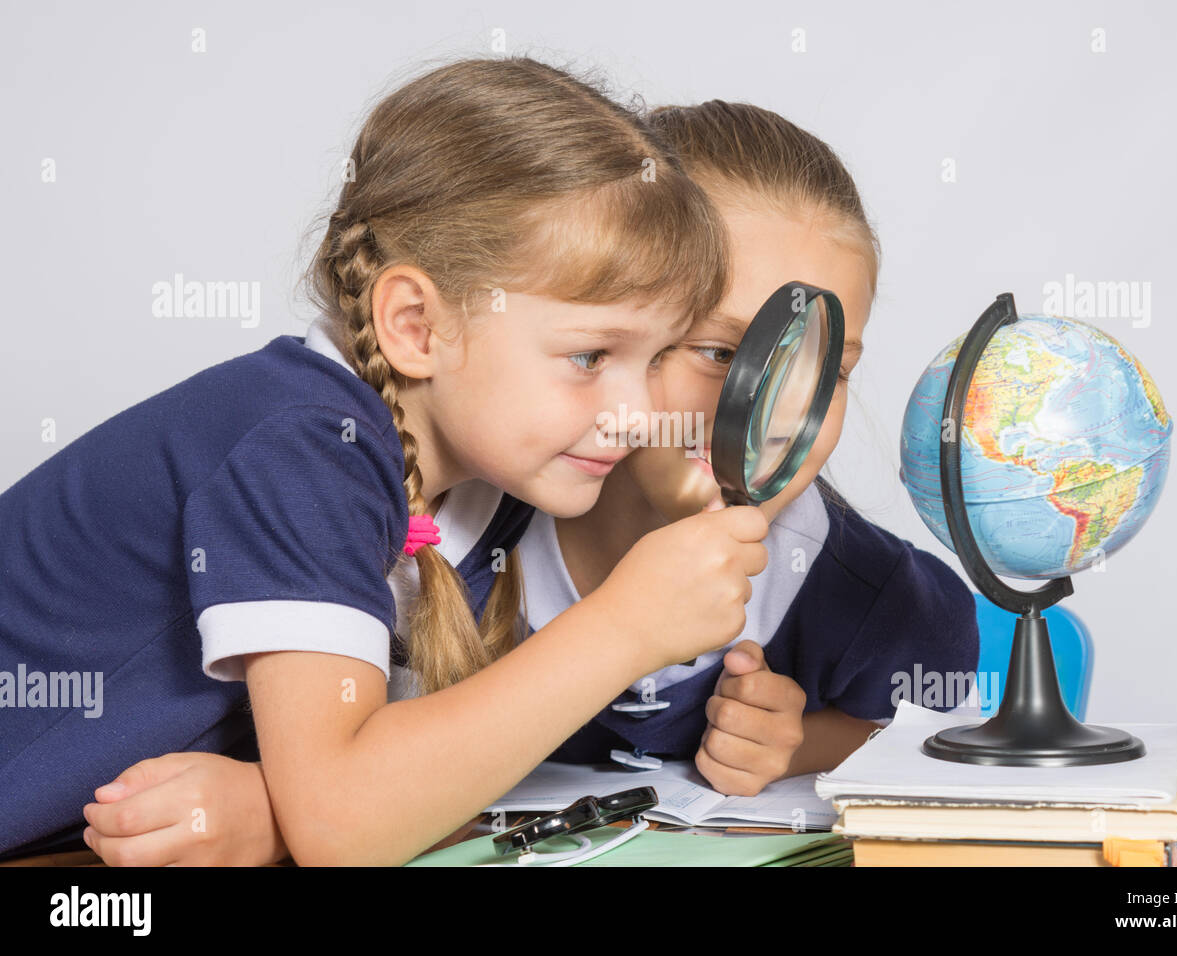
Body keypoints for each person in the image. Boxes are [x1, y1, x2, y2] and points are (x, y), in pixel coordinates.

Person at [0, 57, 770, 866]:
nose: (639, 414)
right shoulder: (301, 448)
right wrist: (624, 626)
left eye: (653, 362)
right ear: (414, 326)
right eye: (589, 357)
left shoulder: (491, 479)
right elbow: (345, 825)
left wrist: (273, 807)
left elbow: (421, 766)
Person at [511, 101, 982, 796]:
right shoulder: (458, 544)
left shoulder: (881, 605)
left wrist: (804, 743)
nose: (779, 417)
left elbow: (948, 748)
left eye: (830, 368)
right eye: (719, 350)